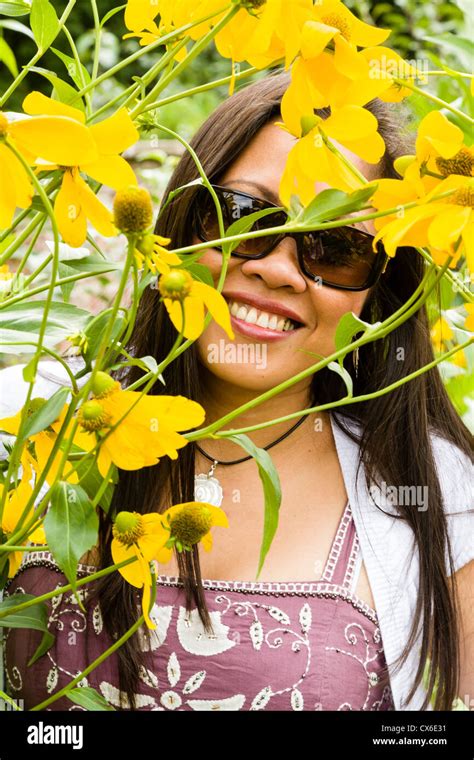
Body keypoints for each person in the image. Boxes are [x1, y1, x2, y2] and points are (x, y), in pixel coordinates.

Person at [2, 73, 473, 712]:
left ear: (379, 295)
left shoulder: (443, 500)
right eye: (241, 216)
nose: (275, 267)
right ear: (182, 222)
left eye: (335, 248)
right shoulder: (28, 420)